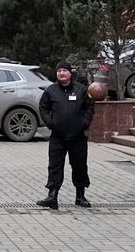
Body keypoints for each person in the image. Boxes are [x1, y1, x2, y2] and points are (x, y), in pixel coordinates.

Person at [36, 61, 93, 209]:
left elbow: (89, 107)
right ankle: (52, 196)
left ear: (70, 73)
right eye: (59, 71)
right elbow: (43, 108)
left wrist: (84, 122)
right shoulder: (51, 91)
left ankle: (80, 196)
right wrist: (50, 123)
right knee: (55, 166)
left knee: (80, 166)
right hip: (58, 136)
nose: (61, 73)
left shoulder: (81, 90)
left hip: (77, 136)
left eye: (64, 71)